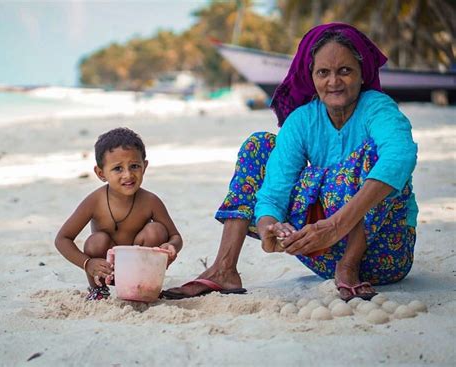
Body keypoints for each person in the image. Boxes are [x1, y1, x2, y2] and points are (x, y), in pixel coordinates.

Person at [162, 23, 418, 302]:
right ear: (311, 76)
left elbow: (401, 156)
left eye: (345, 70)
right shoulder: (303, 119)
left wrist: (335, 226)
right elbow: (274, 190)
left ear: (361, 74)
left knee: (381, 157)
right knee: (259, 145)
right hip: (318, 249)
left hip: (385, 253)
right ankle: (224, 269)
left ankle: (349, 265)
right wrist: (269, 225)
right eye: (324, 72)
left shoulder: (377, 108)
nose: (334, 82)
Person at [55, 127, 182, 300]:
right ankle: (98, 290)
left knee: (156, 230)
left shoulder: (150, 201)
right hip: (107, 270)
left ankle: (145, 288)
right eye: (117, 169)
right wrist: (87, 263)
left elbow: (175, 236)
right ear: (101, 173)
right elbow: (62, 239)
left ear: (144, 167)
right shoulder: (95, 201)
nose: (128, 175)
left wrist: (171, 246)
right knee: (96, 241)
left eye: (134, 166)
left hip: (140, 272)